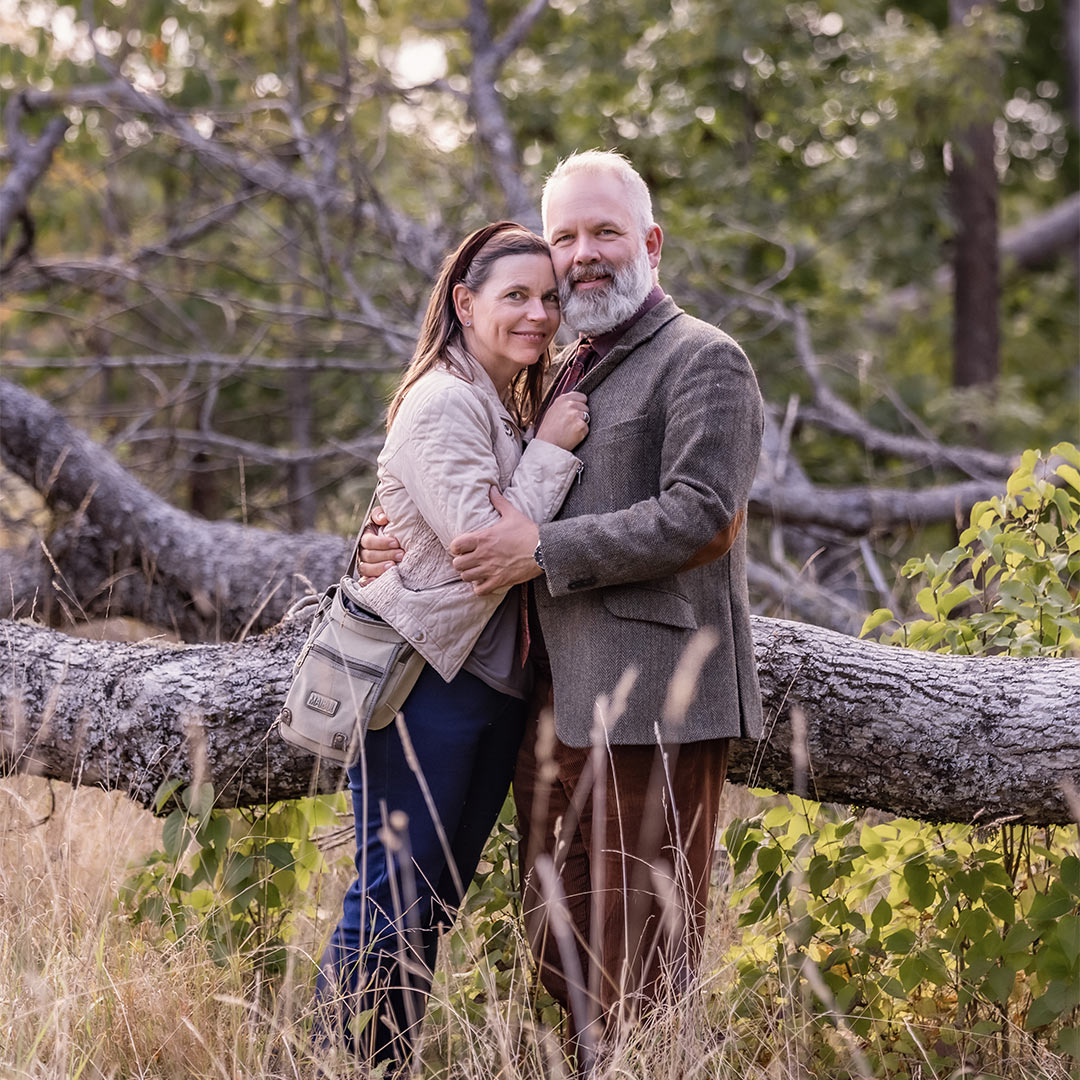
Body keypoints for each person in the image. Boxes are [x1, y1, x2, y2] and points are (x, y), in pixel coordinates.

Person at [360, 151, 764, 1061]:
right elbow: (464, 482)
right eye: (566, 236)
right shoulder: (562, 367)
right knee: (560, 944)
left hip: (657, 697)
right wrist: (374, 542)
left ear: (651, 243)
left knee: (643, 960)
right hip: (552, 706)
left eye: (605, 232)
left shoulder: (704, 360)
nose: (583, 254)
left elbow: (702, 516)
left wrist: (541, 549)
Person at [315, 221, 590, 1069]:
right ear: (465, 304)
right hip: (422, 687)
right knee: (395, 895)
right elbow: (483, 546)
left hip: (482, 688)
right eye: (517, 297)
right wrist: (550, 453)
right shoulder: (444, 400)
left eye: (549, 299)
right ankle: (339, 1062)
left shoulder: (496, 403)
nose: (539, 314)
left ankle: (382, 1060)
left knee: (427, 898)